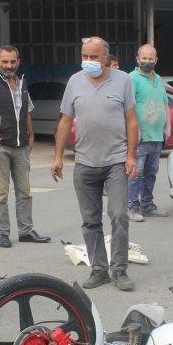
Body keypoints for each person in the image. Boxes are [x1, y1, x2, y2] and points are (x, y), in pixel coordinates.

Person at [51, 37, 139, 292]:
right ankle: (99, 269)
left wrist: (131, 155)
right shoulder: (75, 81)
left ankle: (119, 270)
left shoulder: (123, 80)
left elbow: (131, 121)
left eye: (94, 57)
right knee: (90, 220)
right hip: (85, 162)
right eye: (85, 56)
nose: (88, 61)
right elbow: (66, 121)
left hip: (116, 160)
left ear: (107, 58)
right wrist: (57, 156)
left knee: (119, 214)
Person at [0, 45, 50, 248]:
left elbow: (27, 111)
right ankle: (2, 233)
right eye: (5, 61)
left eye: (12, 61)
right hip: (0, 146)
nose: (9, 65)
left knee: (24, 192)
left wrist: (30, 136)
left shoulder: (22, 82)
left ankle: (26, 231)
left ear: (18, 61)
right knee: (1, 194)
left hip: (21, 146)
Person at [127, 43, 171, 222]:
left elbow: (165, 104)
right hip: (140, 137)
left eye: (150, 58)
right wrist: (133, 132)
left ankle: (147, 205)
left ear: (156, 60)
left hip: (156, 136)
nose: (147, 61)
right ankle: (132, 207)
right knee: (135, 173)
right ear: (137, 59)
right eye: (143, 58)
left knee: (151, 173)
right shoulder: (132, 79)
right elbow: (128, 108)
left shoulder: (159, 79)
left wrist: (167, 126)